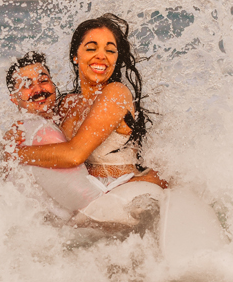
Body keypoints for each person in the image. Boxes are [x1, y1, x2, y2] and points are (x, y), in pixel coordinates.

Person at [4, 50, 162, 228]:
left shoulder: (68, 110)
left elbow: (75, 159)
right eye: (27, 85)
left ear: (53, 84)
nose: (39, 89)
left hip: (103, 200)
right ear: (14, 98)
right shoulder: (29, 132)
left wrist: (16, 153)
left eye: (43, 80)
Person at [13, 14, 166, 189]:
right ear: (75, 56)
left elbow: (74, 155)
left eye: (110, 50)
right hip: (87, 194)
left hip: (124, 192)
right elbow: (44, 134)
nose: (101, 56)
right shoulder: (68, 103)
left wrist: (16, 153)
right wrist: (16, 133)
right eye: (92, 48)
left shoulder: (115, 93)